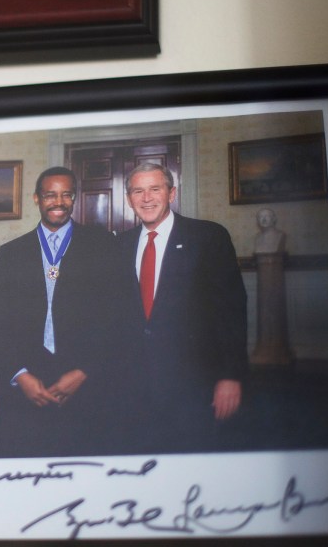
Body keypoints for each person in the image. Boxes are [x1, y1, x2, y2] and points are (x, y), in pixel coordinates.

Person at [0, 166, 121, 457]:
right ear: (37, 199)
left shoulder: (103, 245)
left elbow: (117, 316)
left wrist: (85, 371)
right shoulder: (12, 252)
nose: (58, 202)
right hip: (27, 383)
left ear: (75, 198)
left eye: (66, 195)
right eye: (50, 195)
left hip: (85, 381)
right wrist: (20, 375)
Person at [118, 163, 248, 453]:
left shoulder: (208, 237)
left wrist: (230, 375)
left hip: (195, 383)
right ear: (129, 199)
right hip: (135, 388)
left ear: (172, 193)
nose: (147, 198)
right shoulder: (119, 246)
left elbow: (231, 309)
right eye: (138, 191)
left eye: (155, 189)